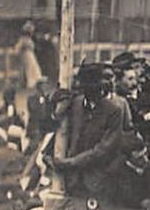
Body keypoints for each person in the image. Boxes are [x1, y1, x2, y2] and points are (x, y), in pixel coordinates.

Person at [50, 64, 131, 198]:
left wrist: (71, 162)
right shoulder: (75, 104)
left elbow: (104, 149)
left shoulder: (114, 111)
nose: (94, 91)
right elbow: (55, 127)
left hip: (100, 182)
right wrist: (54, 105)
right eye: (88, 86)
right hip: (72, 182)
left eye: (96, 86)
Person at [13, 22, 40, 90]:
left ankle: (35, 82)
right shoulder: (23, 39)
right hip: (25, 55)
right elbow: (17, 48)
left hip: (30, 54)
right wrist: (19, 51)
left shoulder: (29, 39)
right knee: (29, 68)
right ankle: (30, 83)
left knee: (34, 67)